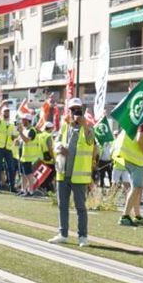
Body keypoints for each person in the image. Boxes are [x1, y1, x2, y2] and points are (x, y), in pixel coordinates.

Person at [49, 97, 95, 246]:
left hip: (79, 176)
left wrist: (85, 125)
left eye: (78, 109)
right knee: (62, 205)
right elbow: (56, 143)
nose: (75, 112)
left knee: (80, 207)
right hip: (63, 173)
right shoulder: (64, 127)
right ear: (68, 111)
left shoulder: (87, 127)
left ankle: (83, 236)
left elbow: (91, 142)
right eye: (72, 109)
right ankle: (63, 233)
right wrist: (60, 149)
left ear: (81, 110)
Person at [115, 121, 143, 225]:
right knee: (137, 187)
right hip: (136, 158)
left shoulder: (135, 117)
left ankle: (137, 215)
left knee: (136, 187)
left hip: (127, 155)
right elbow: (140, 138)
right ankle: (125, 215)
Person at [0, 105, 16, 192]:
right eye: (5, 111)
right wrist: (1, 105)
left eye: (8, 111)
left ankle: (12, 187)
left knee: (11, 168)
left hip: (8, 148)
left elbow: (13, 136)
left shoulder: (12, 124)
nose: (7, 113)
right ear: (2, 113)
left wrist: (14, 137)